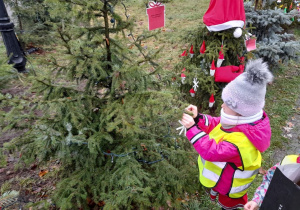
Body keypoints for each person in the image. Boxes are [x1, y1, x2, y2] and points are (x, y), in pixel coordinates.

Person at [180, 58, 273, 210]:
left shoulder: (241, 143)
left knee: (228, 207)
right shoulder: (244, 123)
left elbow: (212, 151)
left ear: (241, 111)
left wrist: (192, 129)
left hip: (231, 187)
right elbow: (217, 123)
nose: (222, 105)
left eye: (227, 104)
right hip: (226, 177)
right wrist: (198, 118)